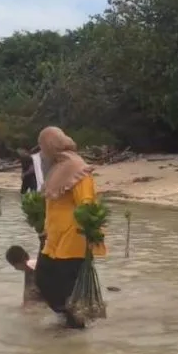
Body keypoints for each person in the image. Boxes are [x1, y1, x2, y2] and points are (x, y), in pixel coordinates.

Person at [34, 126, 107, 329]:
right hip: (55, 239)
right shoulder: (59, 166)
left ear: (51, 145)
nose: (41, 151)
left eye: (42, 145)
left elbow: (86, 202)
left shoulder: (77, 168)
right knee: (43, 279)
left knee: (66, 286)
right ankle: (67, 319)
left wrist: (90, 231)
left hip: (73, 238)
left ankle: (76, 325)